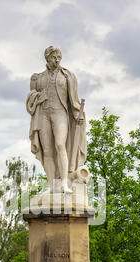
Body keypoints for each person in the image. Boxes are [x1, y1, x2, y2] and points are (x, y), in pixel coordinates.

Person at [26, 46, 86, 193]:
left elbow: (74, 100)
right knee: (47, 150)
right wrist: (38, 97)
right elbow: (30, 99)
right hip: (43, 115)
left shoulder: (68, 76)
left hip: (60, 113)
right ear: (47, 58)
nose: (57, 60)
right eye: (54, 57)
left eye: (59, 57)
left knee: (60, 145)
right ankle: (52, 186)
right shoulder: (37, 78)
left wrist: (79, 115)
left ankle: (64, 183)